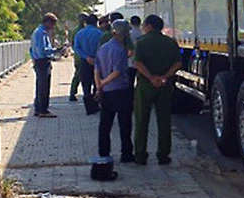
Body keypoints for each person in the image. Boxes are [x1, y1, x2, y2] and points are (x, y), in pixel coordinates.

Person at [132, 14, 182, 165]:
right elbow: (178, 63)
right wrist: (164, 77)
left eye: (144, 25)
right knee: (164, 120)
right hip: (165, 85)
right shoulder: (171, 42)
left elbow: (137, 63)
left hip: (146, 85)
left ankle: (140, 155)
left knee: (141, 120)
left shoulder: (141, 43)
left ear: (149, 26)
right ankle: (163, 154)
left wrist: (151, 77)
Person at [95, 19, 135, 163]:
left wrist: (99, 86)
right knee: (125, 123)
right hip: (121, 91)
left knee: (105, 124)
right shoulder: (120, 50)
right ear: (125, 34)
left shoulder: (103, 48)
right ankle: (126, 153)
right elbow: (117, 72)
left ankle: (104, 152)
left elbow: (97, 70)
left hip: (106, 92)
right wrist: (104, 82)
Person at [30, 13, 59, 118]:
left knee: (39, 85)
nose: (53, 27)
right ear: (48, 22)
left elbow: (31, 49)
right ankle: (43, 110)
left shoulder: (37, 32)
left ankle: (38, 108)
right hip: (43, 61)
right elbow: (44, 50)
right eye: (53, 24)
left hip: (38, 61)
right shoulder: (42, 33)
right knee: (44, 86)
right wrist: (56, 50)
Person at [73, 13, 103, 115]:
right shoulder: (99, 34)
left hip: (84, 61)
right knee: (96, 83)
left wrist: (86, 57)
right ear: (96, 22)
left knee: (86, 85)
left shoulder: (80, 33)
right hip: (97, 61)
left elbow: (76, 48)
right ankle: (95, 105)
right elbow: (102, 48)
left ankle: (88, 108)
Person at [69, 13, 88, 102]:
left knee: (77, 75)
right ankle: (75, 93)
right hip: (84, 56)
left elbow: (72, 43)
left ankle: (73, 93)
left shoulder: (75, 30)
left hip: (78, 56)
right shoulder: (84, 30)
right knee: (81, 76)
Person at [128, 15, 143, 87]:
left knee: (130, 83)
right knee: (140, 83)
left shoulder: (129, 34)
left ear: (130, 23)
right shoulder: (143, 33)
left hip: (130, 62)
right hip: (142, 63)